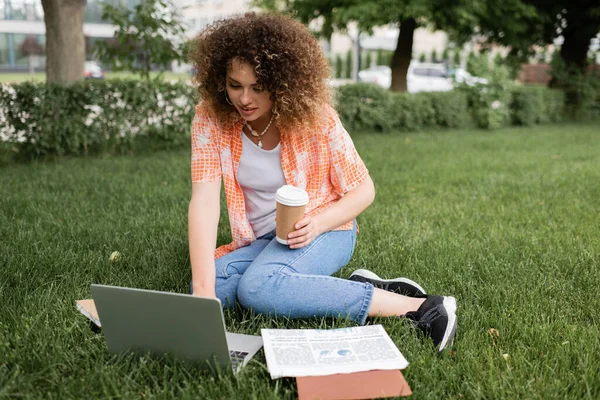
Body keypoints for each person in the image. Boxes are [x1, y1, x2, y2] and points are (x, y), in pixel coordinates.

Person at [187, 12, 457, 352]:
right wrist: (201, 290)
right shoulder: (209, 118)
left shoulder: (316, 118)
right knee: (218, 287)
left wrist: (317, 224)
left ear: (281, 82)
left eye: (258, 87)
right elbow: (205, 201)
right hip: (262, 240)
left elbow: (364, 190)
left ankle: (420, 307)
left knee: (257, 289)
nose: (244, 99)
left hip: (327, 230)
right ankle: (353, 284)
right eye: (235, 85)